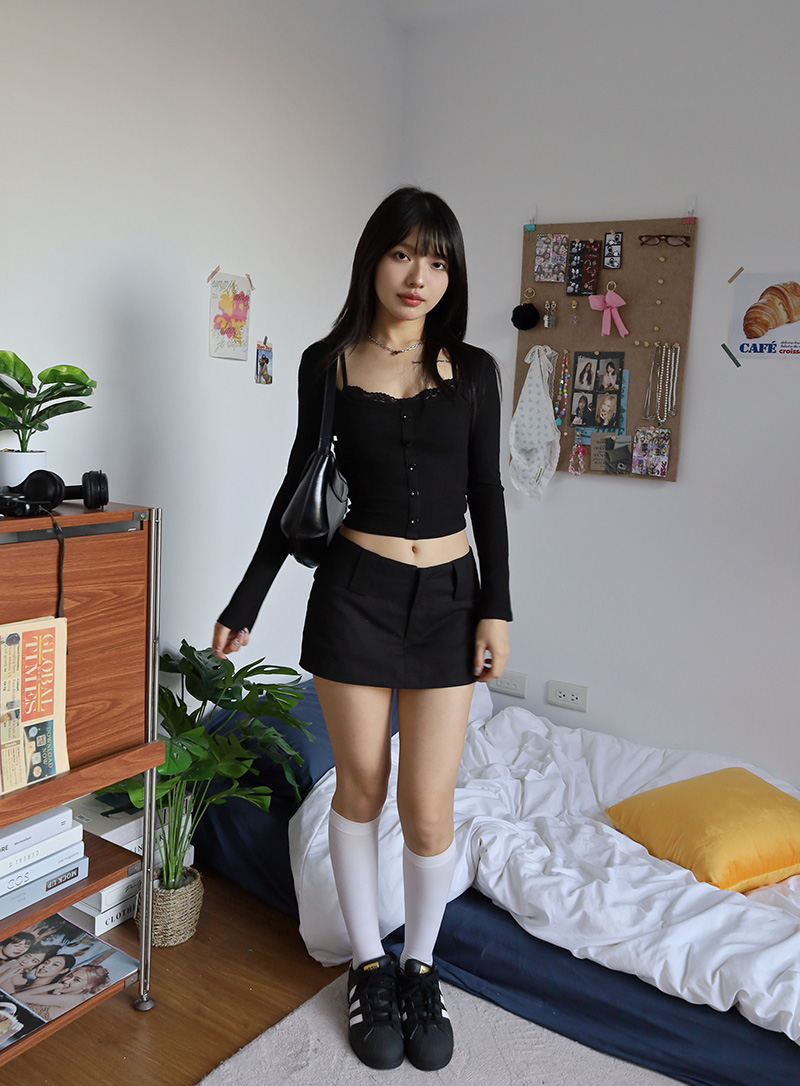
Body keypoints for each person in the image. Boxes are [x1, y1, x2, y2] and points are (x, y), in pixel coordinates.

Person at [212, 187, 511, 1073]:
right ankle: (368, 964)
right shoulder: (328, 363)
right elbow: (297, 482)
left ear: (452, 274)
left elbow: (487, 493)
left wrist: (497, 606)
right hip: (353, 595)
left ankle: (420, 965)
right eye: (403, 254)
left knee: (428, 807)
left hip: (450, 600)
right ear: (374, 259)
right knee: (361, 788)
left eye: (437, 260)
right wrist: (247, 598)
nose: (419, 276)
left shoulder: (475, 371)